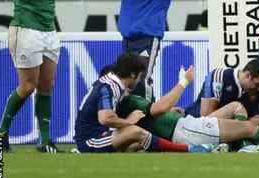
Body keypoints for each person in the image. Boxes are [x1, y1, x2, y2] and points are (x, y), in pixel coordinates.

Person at [75, 0, 182, 101]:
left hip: (148, 38)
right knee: (127, 83)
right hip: (128, 40)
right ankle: (135, 119)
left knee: (143, 80)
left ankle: (150, 118)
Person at [110, 65, 259, 154]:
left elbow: (155, 115)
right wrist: (184, 82)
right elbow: (160, 108)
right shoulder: (129, 103)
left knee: (249, 123)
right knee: (245, 121)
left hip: (185, 127)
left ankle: (254, 146)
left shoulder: (127, 106)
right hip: (188, 127)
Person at [0, 0, 62, 153]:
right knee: (27, 86)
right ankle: (1, 133)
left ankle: (44, 141)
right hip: (26, 29)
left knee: (46, 86)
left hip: (48, 31)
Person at [73, 53, 211, 153]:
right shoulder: (112, 87)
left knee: (141, 136)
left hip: (98, 135)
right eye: (139, 76)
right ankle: (188, 150)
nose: (139, 81)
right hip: (90, 140)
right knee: (136, 132)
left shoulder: (111, 83)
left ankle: (166, 148)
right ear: (133, 75)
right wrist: (128, 122)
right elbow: (104, 118)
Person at [184, 59, 259, 119]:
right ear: (247, 75)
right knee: (236, 108)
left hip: (230, 135)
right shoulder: (220, 76)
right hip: (193, 124)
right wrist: (241, 120)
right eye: (258, 84)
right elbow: (206, 119)